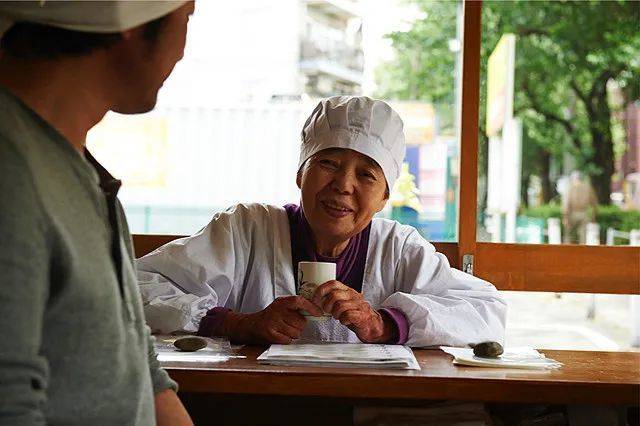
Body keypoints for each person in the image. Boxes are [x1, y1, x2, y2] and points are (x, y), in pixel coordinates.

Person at [137, 96, 506, 347]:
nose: (343, 186)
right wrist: (237, 323)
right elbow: (133, 284)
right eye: (327, 164)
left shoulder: (398, 247)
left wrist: (384, 323)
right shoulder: (245, 229)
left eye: (366, 174)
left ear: (384, 198)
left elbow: (486, 311)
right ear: (301, 174)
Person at [0, 2, 195, 424]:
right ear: (132, 21)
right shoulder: (11, 171)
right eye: (187, 18)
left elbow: (138, 364)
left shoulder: (86, 175)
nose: (181, 51)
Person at [562, 170, 598, 244]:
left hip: (572, 214)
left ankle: (566, 253)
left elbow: (566, 204)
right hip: (584, 214)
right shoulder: (587, 188)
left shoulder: (569, 188)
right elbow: (594, 204)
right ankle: (582, 253)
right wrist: (594, 217)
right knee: (583, 236)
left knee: (568, 236)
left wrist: (565, 217)